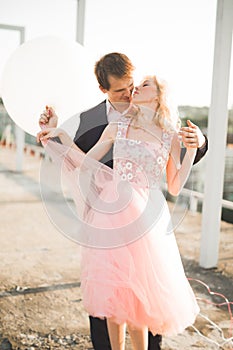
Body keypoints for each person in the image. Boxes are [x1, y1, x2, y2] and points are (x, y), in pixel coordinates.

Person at [38, 53, 208, 350]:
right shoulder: (92, 121)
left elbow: (178, 176)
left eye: (136, 86)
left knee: (146, 293)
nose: (130, 94)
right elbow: (80, 161)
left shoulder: (166, 129)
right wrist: (56, 135)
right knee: (109, 296)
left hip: (146, 215)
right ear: (105, 90)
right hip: (106, 212)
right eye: (122, 90)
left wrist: (198, 143)